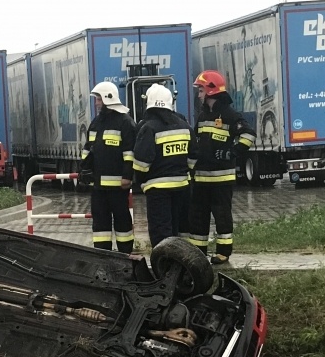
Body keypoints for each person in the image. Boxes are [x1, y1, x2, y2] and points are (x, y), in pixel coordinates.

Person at [189, 70, 256, 265]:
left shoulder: (229, 114)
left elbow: (249, 135)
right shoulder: (203, 115)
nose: (199, 94)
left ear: (211, 90)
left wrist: (232, 153)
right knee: (198, 217)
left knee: (222, 216)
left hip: (221, 179)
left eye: (200, 90)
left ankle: (223, 252)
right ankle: (198, 252)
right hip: (201, 178)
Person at [131, 84, 197, 248]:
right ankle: (179, 262)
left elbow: (141, 163)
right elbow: (194, 156)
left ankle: (163, 266)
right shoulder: (184, 125)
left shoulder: (148, 128)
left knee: (161, 231)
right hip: (182, 187)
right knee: (177, 229)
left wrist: (141, 181)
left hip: (157, 190)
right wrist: (183, 170)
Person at [81, 81, 138, 253]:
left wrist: (127, 176)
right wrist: (84, 169)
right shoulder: (96, 123)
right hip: (98, 186)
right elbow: (88, 149)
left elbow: (130, 152)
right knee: (100, 223)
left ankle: (125, 255)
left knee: (122, 220)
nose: (96, 103)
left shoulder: (125, 122)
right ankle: (102, 255)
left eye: (98, 99)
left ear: (108, 98)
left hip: (118, 187)